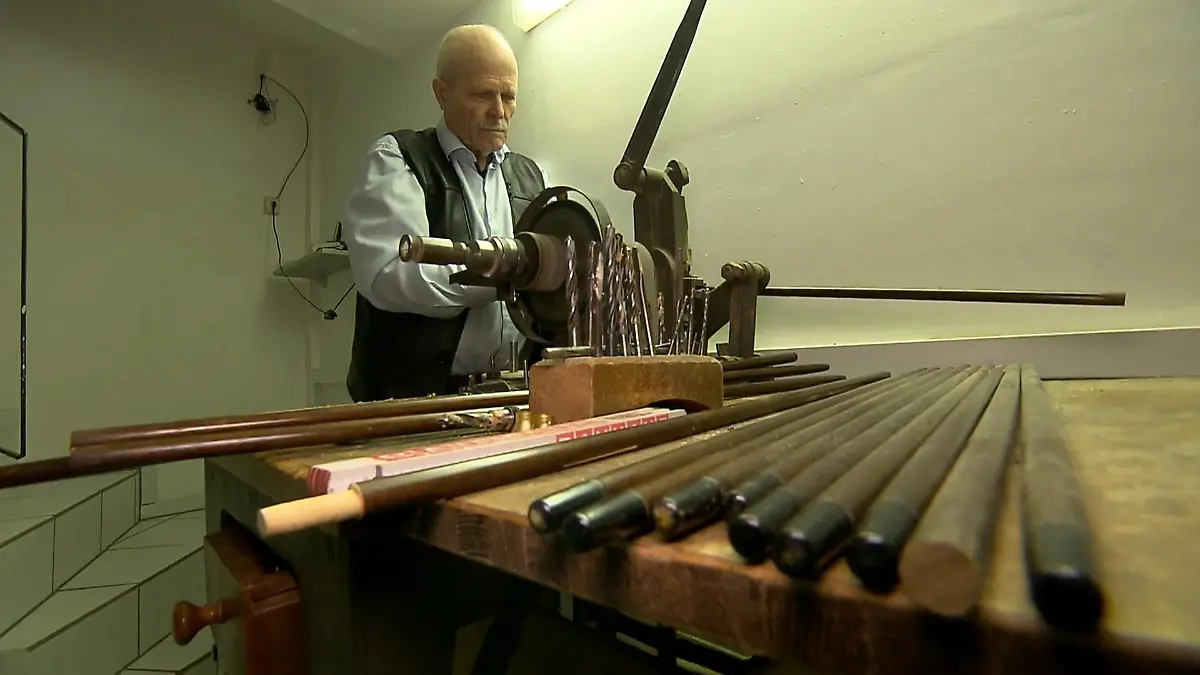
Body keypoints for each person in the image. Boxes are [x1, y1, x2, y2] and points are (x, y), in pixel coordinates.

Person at [342, 25, 547, 402]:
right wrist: (506, 274)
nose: (499, 111)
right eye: (484, 94)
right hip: (411, 402)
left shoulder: (532, 178)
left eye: (509, 96)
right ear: (442, 93)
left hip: (513, 395)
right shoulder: (398, 159)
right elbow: (391, 276)